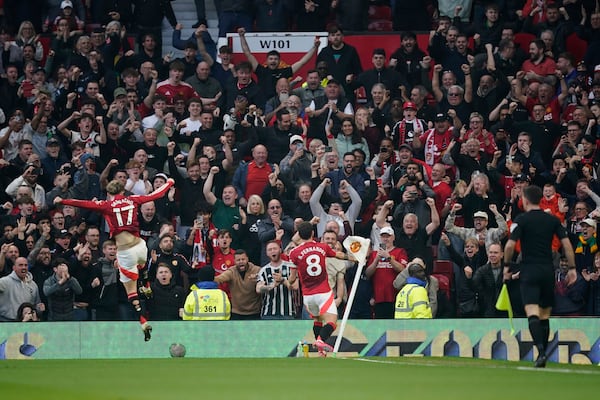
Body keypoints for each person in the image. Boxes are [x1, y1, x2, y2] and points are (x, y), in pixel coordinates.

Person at [54, 178, 175, 341]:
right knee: (142, 265)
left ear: (110, 193)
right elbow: (155, 194)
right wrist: (169, 183)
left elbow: (83, 203)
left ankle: (143, 321)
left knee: (130, 289)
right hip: (140, 245)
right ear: (123, 191)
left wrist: (63, 200)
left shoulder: (107, 205)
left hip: (125, 250)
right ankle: (146, 283)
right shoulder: (133, 199)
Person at [504, 185, 577, 368]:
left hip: (529, 270)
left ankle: (541, 352)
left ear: (525, 200)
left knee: (532, 312)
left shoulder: (522, 219)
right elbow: (566, 244)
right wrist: (572, 268)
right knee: (544, 315)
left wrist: (506, 266)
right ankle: (542, 354)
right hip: (547, 271)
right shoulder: (551, 220)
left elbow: (510, 246)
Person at [288, 221, 350, 356]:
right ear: (312, 233)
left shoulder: (293, 253)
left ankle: (320, 348)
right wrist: (354, 258)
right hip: (323, 292)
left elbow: (292, 278)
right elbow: (338, 255)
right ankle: (320, 341)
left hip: (308, 296)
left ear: (299, 234)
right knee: (332, 321)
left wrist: (289, 280)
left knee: (317, 320)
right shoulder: (322, 247)